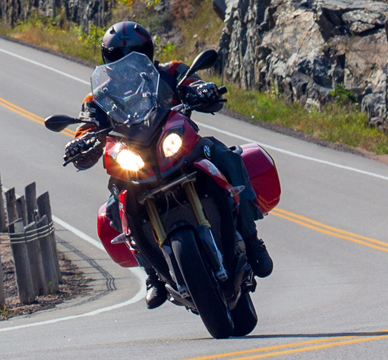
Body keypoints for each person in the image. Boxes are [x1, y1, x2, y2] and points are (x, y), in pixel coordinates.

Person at [65, 21, 273, 309]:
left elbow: (194, 83)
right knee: (115, 209)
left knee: (226, 156)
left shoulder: (171, 72)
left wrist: (204, 91)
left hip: (178, 146)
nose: (127, 63)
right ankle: (152, 274)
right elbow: (87, 125)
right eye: (118, 57)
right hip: (135, 160)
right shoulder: (99, 98)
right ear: (107, 60)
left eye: (135, 53)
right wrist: (82, 142)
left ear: (148, 52)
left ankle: (251, 240)